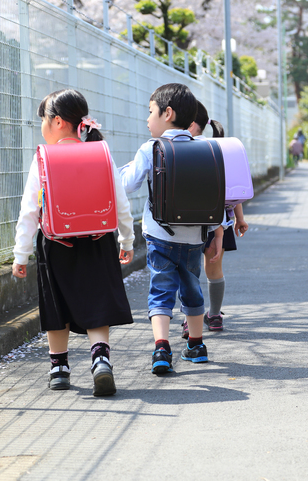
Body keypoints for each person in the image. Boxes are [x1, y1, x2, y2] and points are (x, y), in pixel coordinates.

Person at [12, 89, 135, 397]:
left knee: (57, 305)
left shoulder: (43, 158)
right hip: (98, 240)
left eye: (42, 119)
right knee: (98, 303)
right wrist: (127, 239)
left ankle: (59, 369)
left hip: (56, 244)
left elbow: (29, 210)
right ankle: (100, 360)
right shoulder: (100, 152)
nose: (41, 125)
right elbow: (120, 203)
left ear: (56, 122)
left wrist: (21, 254)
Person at [119, 83, 224, 375]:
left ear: (167, 113)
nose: (147, 119)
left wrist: (126, 168)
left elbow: (126, 186)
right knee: (192, 290)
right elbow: (213, 194)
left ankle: (162, 348)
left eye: (150, 112)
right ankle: (197, 344)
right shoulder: (206, 148)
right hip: (194, 239)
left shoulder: (150, 149)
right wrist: (216, 232)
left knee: (161, 292)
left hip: (160, 236)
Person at [181, 100, 248, 338]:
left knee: (188, 272)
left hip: (188, 218)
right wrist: (239, 217)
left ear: (189, 123)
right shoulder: (219, 147)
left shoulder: (185, 149)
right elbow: (232, 188)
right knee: (214, 268)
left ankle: (191, 320)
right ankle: (215, 315)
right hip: (223, 218)